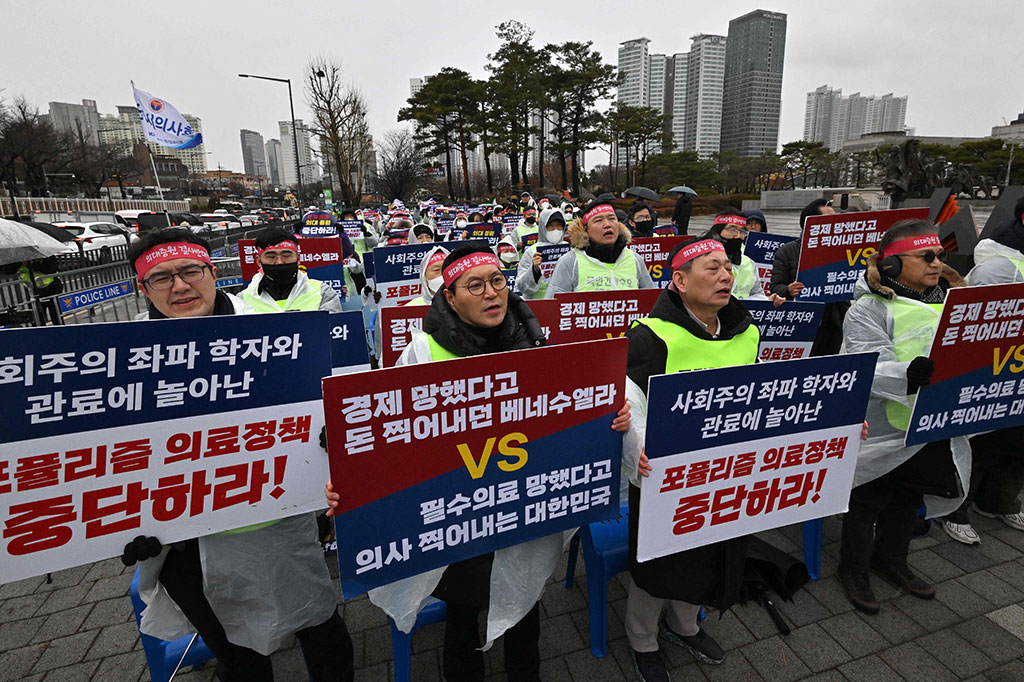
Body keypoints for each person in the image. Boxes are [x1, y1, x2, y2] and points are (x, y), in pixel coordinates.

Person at [325, 244, 630, 682]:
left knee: (524, 614)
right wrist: (352, 486)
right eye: (475, 285)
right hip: (459, 519)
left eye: (497, 282)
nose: (492, 294)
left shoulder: (535, 339)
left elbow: (566, 408)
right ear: (449, 297)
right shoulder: (423, 353)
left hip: (522, 507)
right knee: (463, 619)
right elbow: (393, 438)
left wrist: (608, 419)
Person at [122, 228, 355, 682]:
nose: (180, 286)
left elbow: (326, 390)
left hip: (276, 519)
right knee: (238, 656)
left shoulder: (266, 323)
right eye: (161, 277)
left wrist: (330, 432)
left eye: (190, 271)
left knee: (321, 631)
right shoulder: (120, 351)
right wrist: (121, 527)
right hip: (184, 539)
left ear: (212, 272)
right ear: (142, 287)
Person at [622, 239, 760, 680]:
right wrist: (640, 448)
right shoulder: (650, 337)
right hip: (662, 474)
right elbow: (628, 403)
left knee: (709, 551)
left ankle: (684, 624)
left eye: (727, 267)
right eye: (711, 268)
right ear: (679, 281)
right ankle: (642, 638)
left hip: (724, 472)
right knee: (658, 562)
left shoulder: (747, 330)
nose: (725, 276)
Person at [838, 218, 970, 614]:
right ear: (892, 265)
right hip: (883, 424)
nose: (935, 264)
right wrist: (906, 374)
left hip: (932, 420)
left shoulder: (955, 302)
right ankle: (854, 569)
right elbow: (864, 364)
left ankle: (892, 560)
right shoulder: (868, 308)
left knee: (908, 498)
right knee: (867, 500)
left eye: (941, 256)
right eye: (925, 256)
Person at [940, 197, 1024, 544]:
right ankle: (956, 508)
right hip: (995, 371)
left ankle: (999, 501)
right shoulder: (997, 267)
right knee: (984, 440)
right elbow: (975, 327)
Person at [769, 199, 848, 355]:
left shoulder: (842, 251)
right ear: (811, 223)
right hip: (801, 321)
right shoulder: (787, 251)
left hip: (833, 322)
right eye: (828, 219)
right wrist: (788, 290)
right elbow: (776, 287)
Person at [546, 200, 657, 296]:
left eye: (612, 218)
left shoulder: (635, 259)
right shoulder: (570, 262)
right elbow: (552, 309)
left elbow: (651, 302)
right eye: (598, 220)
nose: (607, 224)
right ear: (585, 229)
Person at [240, 228, 342, 313]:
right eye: (271, 256)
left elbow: (335, 330)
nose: (279, 262)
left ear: (298, 259)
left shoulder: (323, 292)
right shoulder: (242, 300)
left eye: (286, 256)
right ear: (258, 261)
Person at [702, 210, 764, 300]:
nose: (738, 236)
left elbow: (757, 293)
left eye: (742, 231)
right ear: (717, 231)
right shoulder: (699, 259)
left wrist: (768, 301)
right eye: (732, 230)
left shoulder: (748, 263)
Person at [515, 207, 566, 300]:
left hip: (563, 307)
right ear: (543, 227)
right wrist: (535, 271)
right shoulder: (531, 251)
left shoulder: (569, 250)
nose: (555, 229)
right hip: (538, 306)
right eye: (551, 225)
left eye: (559, 225)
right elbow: (521, 286)